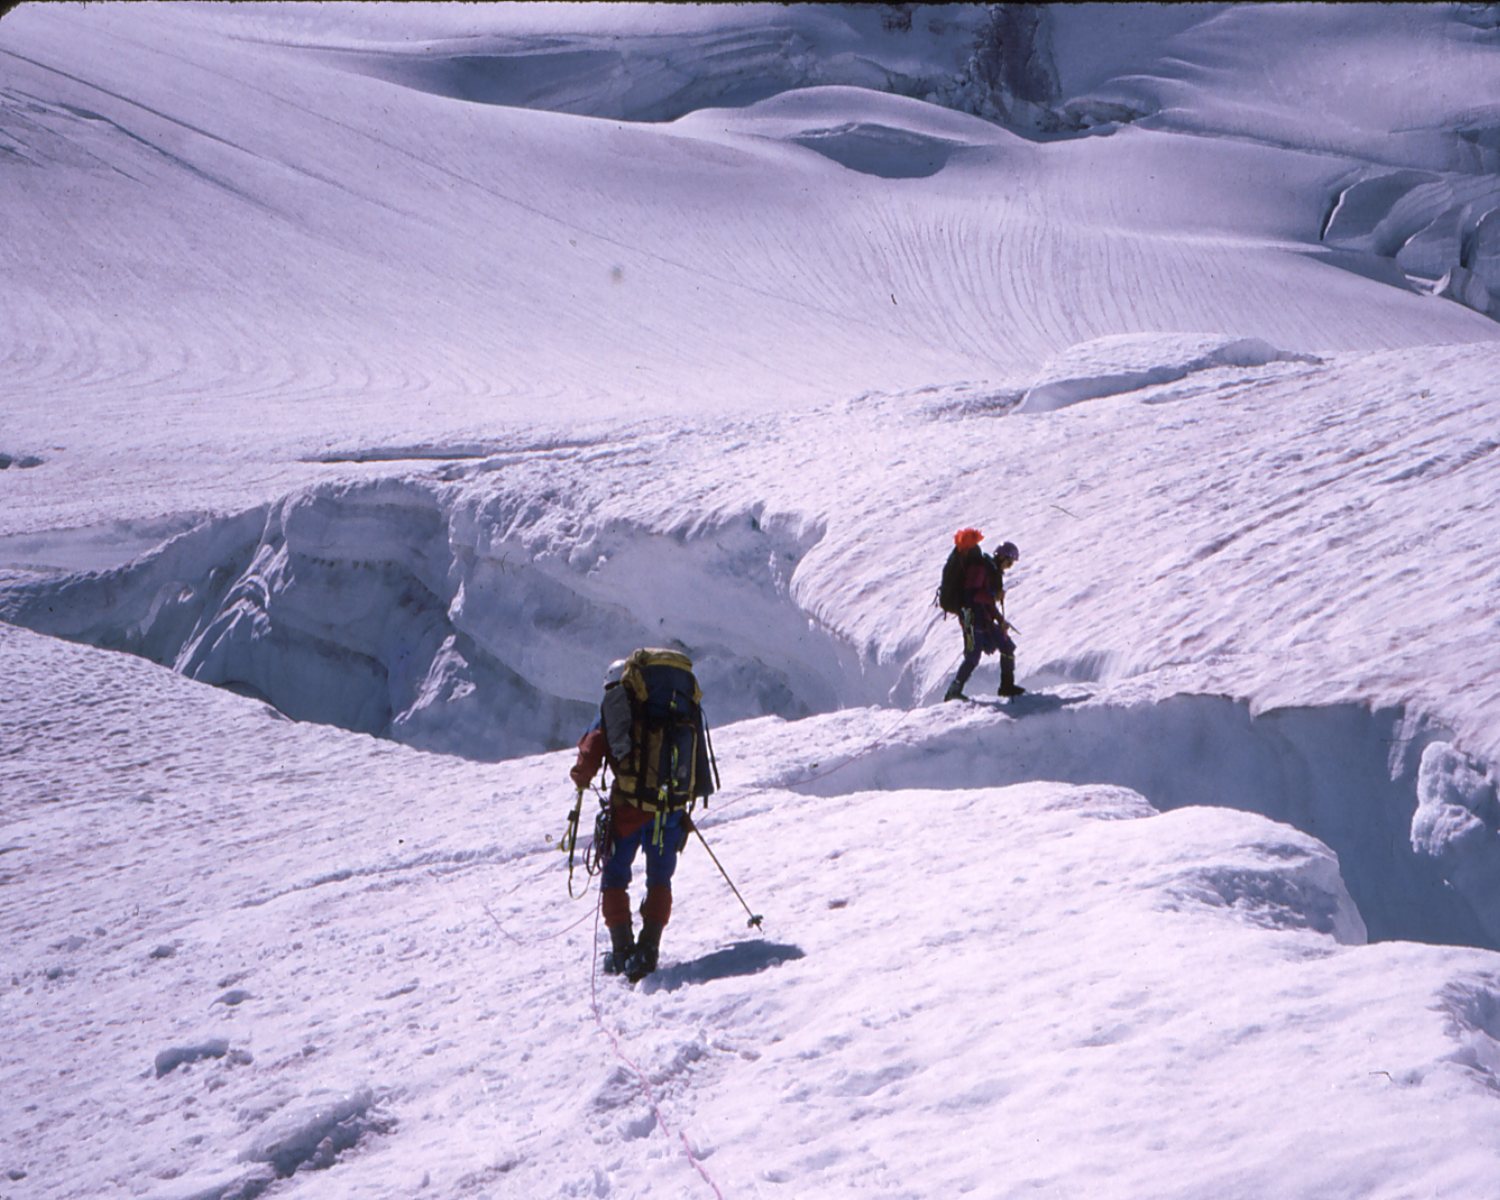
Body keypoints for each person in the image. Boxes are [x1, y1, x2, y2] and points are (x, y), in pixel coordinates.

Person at [569, 651, 708, 981]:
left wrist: (581, 777)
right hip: (669, 808)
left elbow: (591, 750)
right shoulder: (677, 706)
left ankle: (622, 950)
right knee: (660, 877)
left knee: (615, 876)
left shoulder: (616, 704)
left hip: (630, 808)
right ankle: (648, 948)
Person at [942, 528, 1025, 701]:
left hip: (982, 619)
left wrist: (1000, 620)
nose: (1009, 567)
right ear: (1002, 557)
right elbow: (971, 595)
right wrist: (994, 596)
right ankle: (953, 691)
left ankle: (1007, 687)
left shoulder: (992, 572)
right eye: (1009, 563)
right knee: (973, 655)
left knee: (1007, 646)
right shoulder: (981, 569)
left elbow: (986, 602)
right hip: (972, 619)